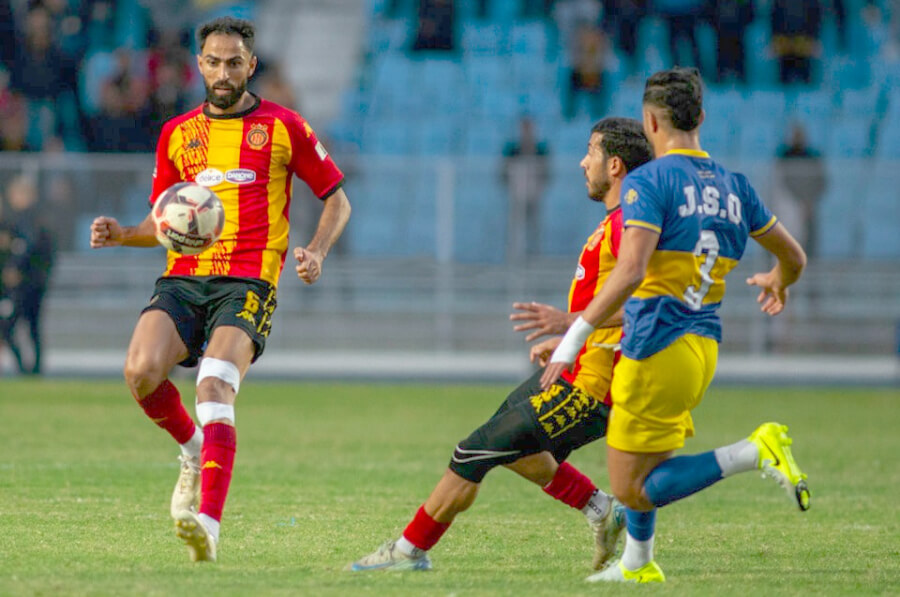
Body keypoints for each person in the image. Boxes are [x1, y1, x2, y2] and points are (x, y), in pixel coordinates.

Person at [89, 17, 351, 563]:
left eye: (235, 62)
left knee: (214, 385)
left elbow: (337, 198)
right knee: (139, 372)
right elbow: (164, 223)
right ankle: (192, 449)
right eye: (214, 61)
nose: (224, 71)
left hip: (248, 283)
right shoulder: (177, 133)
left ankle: (207, 523)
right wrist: (122, 235)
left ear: (250, 65)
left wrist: (316, 251)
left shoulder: (284, 126)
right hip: (184, 279)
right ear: (199, 64)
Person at [347, 117, 654, 573]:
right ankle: (602, 510)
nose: (581, 161)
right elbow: (616, 310)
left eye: (589, 151)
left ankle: (409, 551)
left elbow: (648, 304)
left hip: (596, 387)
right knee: (509, 443)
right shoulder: (615, 220)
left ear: (614, 164)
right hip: (575, 367)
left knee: (473, 451)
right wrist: (569, 340)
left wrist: (573, 324)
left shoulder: (630, 220)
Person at [541, 67, 810, 583]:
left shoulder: (650, 181)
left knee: (630, 488)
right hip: (701, 346)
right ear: (701, 118)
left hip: (656, 344)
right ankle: (638, 564)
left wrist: (571, 339)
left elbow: (632, 270)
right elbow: (793, 256)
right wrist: (779, 279)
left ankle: (753, 451)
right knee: (649, 461)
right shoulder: (735, 187)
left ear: (649, 123)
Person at [0, 174, 55, 375]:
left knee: (8, 325)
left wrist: (15, 268)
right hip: (37, 282)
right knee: (33, 327)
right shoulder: (41, 218)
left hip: (26, 284)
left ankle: (28, 369)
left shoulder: (27, 219)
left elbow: (26, 247)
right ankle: (34, 369)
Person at [774, 122, 826, 260]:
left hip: (808, 203)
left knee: (808, 237)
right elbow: (780, 180)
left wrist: (809, 201)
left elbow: (821, 181)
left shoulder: (812, 156)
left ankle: (809, 266)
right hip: (789, 203)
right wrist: (798, 199)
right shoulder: (784, 155)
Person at [501, 116, 550, 259]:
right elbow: (503, 173)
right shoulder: (512, 150)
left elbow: (547, 173)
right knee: (514, 228)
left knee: (534, 228)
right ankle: (513, 256)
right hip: (517, 195)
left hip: (534, 195)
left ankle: (534, 256)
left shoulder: (540, 150)